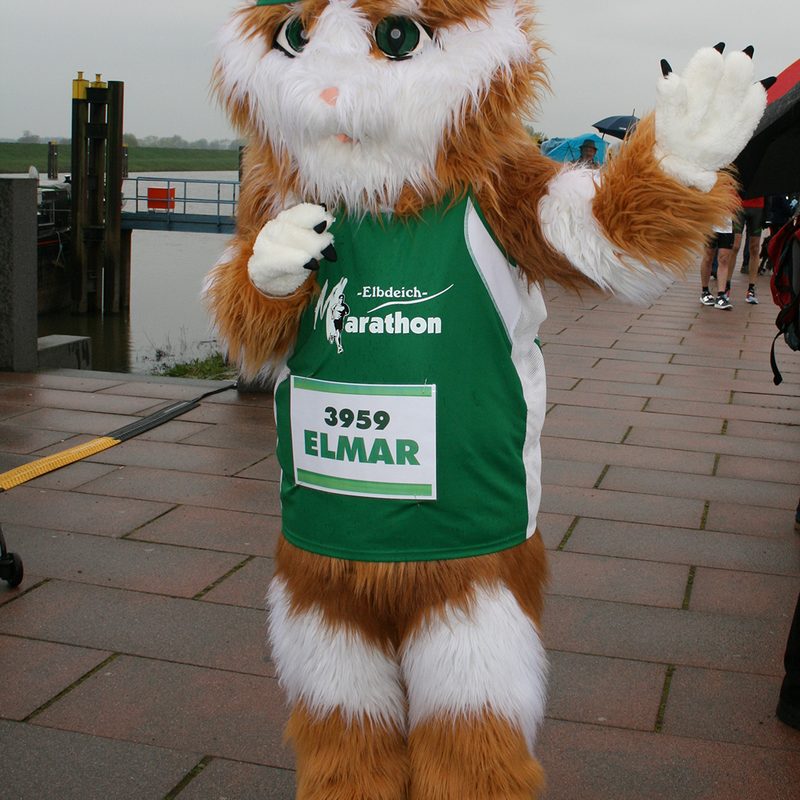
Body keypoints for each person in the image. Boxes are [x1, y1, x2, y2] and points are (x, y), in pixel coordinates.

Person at [731, 195, 764, 303]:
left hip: (758, 206)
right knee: (735, 246)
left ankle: (751, 289)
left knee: (754, 248)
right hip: (738, 204)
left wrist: (768, 214)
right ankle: (726, 287)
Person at [699, 221, 734, 309]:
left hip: (727, 224)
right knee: (708, 257)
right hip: (710, 222)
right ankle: (705, 291)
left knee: (724, 259)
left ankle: (721, 295)